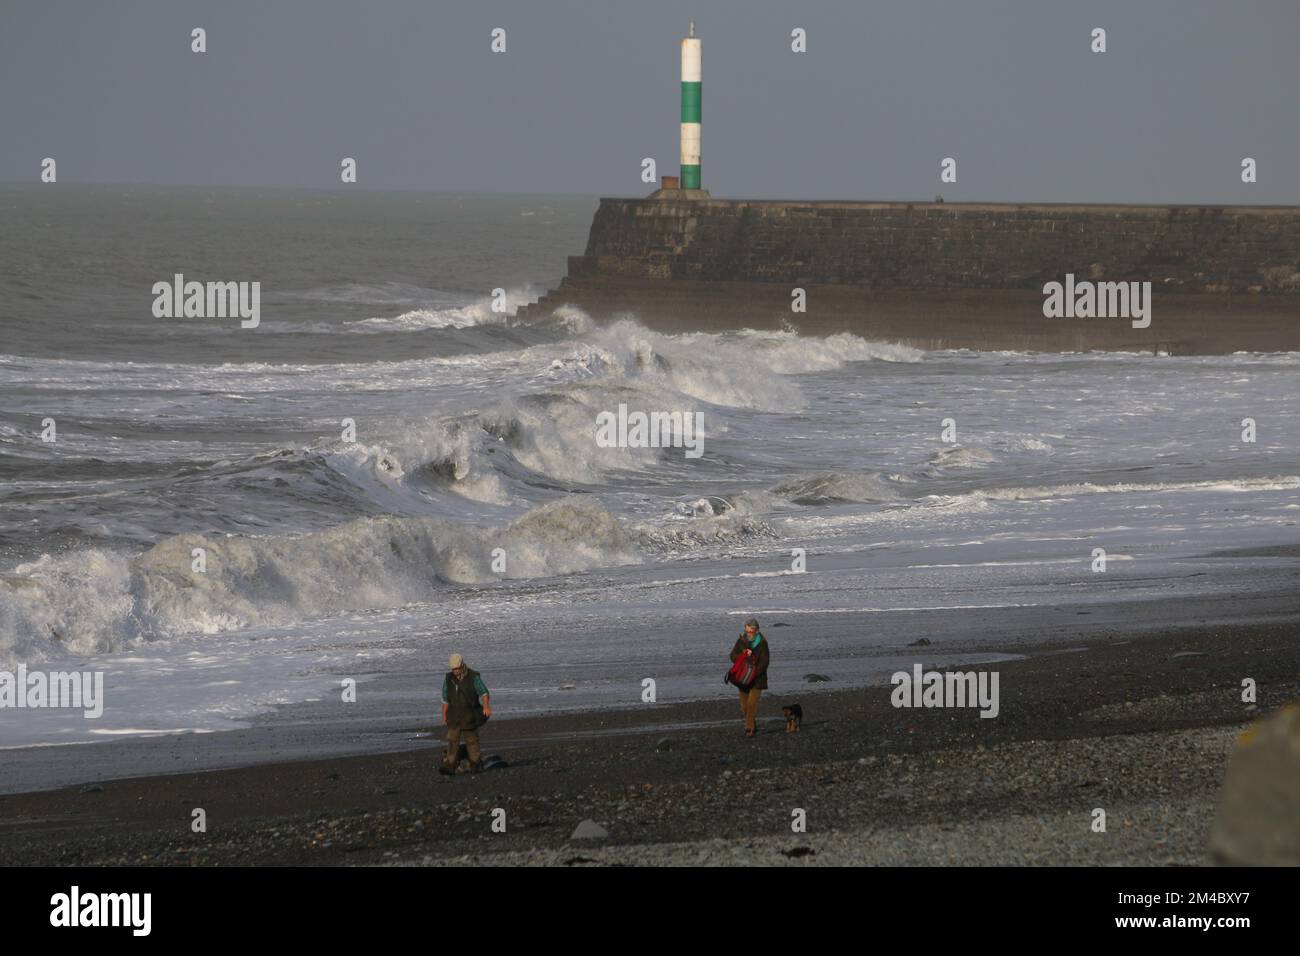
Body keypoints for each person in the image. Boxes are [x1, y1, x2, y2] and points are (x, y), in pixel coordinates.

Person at [439, 653, 491, 775]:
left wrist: (486, 707)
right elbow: (445, 699)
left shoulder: (473, 677)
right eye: (453, 669)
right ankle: (449, 766)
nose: (455, 671)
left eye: (457, 668)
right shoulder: (448, 679)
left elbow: (484, 693)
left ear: (462, 665)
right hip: (453, 716)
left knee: (472, 741)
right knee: (452, 742)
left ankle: (476, 764)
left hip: (470, 715)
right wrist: (444, 715)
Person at [729, 617, 770, 737]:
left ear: (756, 630)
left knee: (752, 705)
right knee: (744, 706)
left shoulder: (762, 643)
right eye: (747, 630)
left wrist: (753, 673)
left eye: (751, 630)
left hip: (757, 679)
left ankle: (749, 729)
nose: (749, 633)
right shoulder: (740, 641)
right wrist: (743, 655)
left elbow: (765, 662)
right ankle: (753, 725)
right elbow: (732, 656)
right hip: (742, 679)